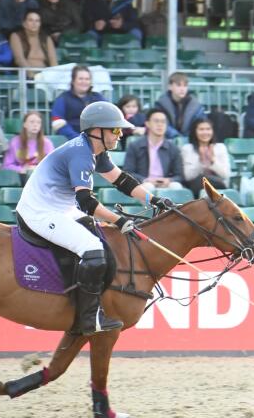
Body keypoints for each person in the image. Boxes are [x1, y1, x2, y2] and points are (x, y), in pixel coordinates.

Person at [15, 100, 162, 336]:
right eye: (115, 130)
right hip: (41, 211)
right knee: (93, 249)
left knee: (100, 239)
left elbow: (122, 180)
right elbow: (86, 202)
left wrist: (153, 200)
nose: (120, 134)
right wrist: (119, 220)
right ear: (97, 131)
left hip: (61, 207)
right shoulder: (81, 154)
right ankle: (89, 318)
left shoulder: (95, 149)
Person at [124, 107, 184, 189]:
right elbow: (128, 172)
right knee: (148, 187)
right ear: (147, 124)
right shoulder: (135, 146)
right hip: (144, 183)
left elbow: (180, 176)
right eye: (156, 121)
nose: (160, 124)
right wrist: (145, 180)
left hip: (165, 184)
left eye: (163, 122)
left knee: (176, 186)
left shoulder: (173, 148)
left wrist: (169, 180)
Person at [51, 65, 106, 139]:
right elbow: (57, 122)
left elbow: (110, 117)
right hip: (71, 141)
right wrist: (77, 138)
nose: (84, 82)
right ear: (73, 81)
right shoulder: (63, 98)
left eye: (87, 79)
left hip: (97, 140)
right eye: (80, 79)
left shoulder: (98, 98)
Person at [180, 116, 231, 195]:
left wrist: (212, 161)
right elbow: (187, 177)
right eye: (201, 129)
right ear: (195, 131)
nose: (205, 132)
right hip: (195, 187)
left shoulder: (220, 147)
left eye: (208, 129)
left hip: (218, 186)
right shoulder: (187, 149)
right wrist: (201, 161)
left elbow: (226, 174)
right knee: (202, 180)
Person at [154, 72, 209, 139]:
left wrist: (186, 139)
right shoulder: (160, 104)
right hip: (167, 141)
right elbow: (162, 125)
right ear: (170, 87)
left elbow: (200, 124)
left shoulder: (196, 105)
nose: (182, 89)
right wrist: (177, 137)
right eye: (178, 85)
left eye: (185, 86)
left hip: (191, 141)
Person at [7, 10, 57, 77]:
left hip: (45, 75)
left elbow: (53, 61)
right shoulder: (16, 36)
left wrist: (54, 76)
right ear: (24, 23)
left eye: (37, 21)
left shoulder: (46, 38)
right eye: (31, 20)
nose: (34, 23)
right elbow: (19, 59)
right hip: (25, 76)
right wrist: (32, 76)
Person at [3, 109, 53, 174]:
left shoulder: (47, 143)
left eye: (38, 122)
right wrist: (21, 170)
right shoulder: (15, 142)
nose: (35, 125)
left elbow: (52, 164)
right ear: (25, 124)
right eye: (32, 122)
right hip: (21, 177)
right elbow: (7, 165)